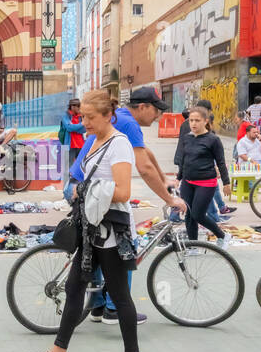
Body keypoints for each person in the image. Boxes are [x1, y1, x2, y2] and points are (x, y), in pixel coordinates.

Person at [26, 89, 145, 352]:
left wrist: (86, 188)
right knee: (73, 285)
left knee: (119, 295)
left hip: (112, 232)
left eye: (91, 118)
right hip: (92, 228)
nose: (85, 123)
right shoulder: (94, 142)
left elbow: (123, 192)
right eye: (83, 117)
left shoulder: (119, 146)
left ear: (108, 115)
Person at [72, 86, 186, 323]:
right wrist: (169, 199)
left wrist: (164, 179)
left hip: (79, 184)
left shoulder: (122, 119)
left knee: (97, 245)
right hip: (90, 189)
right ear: (142, 107)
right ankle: (114, 308)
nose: (158, 117)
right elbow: (143, 168)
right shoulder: (127, 123)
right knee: (126, 245)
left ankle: (98, 304)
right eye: (156, 111)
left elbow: (145, 153)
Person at [177, 105, 233, 249]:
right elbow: (184, 160)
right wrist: (178, 178)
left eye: (197, 120)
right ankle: (193, 246)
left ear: (205, 121)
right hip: (188, 182)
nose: (193, 124)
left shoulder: (213, 140)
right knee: (189, 215)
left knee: (198, 214)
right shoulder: (186, 138)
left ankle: (222, 235)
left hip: (206, 182)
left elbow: (221, 162)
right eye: (191, 121)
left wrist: (226, 183)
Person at [60, 98, 85, 174]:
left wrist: (74, 127)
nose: (79, 108)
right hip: (69, 145)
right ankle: (68, 185)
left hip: (80, 144)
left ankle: (79, 184)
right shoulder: (65, 116)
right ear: (72, 107)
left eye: (79, 106)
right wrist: (81, 124)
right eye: (78, 106)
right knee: (68, 169)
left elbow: (84, 130)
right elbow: (69, 128)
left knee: (81, 167)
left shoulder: (81, 116)